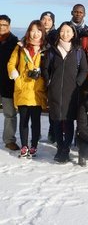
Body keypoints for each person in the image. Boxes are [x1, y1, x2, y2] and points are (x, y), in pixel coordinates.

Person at [43, 22, 88, 163]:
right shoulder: (52, 51)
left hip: (71, 92)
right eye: (62, 31)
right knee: (56, 121)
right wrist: (48, 82)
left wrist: (78, 82)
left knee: (68, 122)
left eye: (68, 31)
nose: (65, 34)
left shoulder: (78, 51)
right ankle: (60, 147)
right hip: (55, 91)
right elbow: (45, 69)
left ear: (73, 33)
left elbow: (84, 70)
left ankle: (66, 148)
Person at [7, 20, 47, 158]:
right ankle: (24, 146)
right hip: (23, 88)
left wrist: (41, 72)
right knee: (24, 120)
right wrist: (14, 73)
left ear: (42, 32)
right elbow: (11, 63)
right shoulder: (20, 47)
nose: (36, 34)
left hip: (37, 90)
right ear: (29, 31)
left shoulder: (46, 48)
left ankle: (34, 146)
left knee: (36, 121)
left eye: (39, 31)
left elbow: (51, 67)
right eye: (33, 30)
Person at [0, 15, 19, 151]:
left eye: (4, 25)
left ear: (9, 26)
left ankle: (9, 140)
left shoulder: (15, 42)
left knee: (10, 114)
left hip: (7, 84)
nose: (1, 27)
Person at [40, 11, 57, 143]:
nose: (46, 22)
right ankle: (36, 132)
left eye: (49, 20)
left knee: (52, 105)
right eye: (44, 19)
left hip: (51, 75)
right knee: (35, 105)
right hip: (35, 76)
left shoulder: (55, 36)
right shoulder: (34, 33)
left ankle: (52, 132)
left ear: (53, 22)